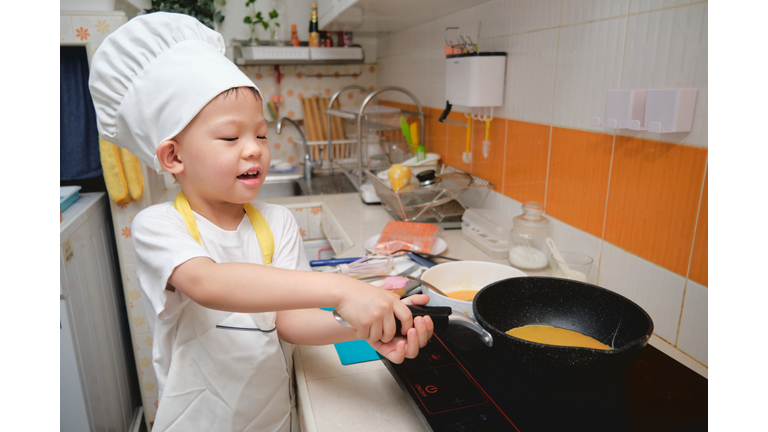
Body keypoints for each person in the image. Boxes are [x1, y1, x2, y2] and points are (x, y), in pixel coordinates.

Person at [88, 12, 434, 432]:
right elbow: (209, 283)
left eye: (262, 134)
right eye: (231, 138)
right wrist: (344, 289)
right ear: (173, 157)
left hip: (271, 419)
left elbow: (289, 321)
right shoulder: (159, 226)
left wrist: (364, 326)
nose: (255, 150)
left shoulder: (278, 222)